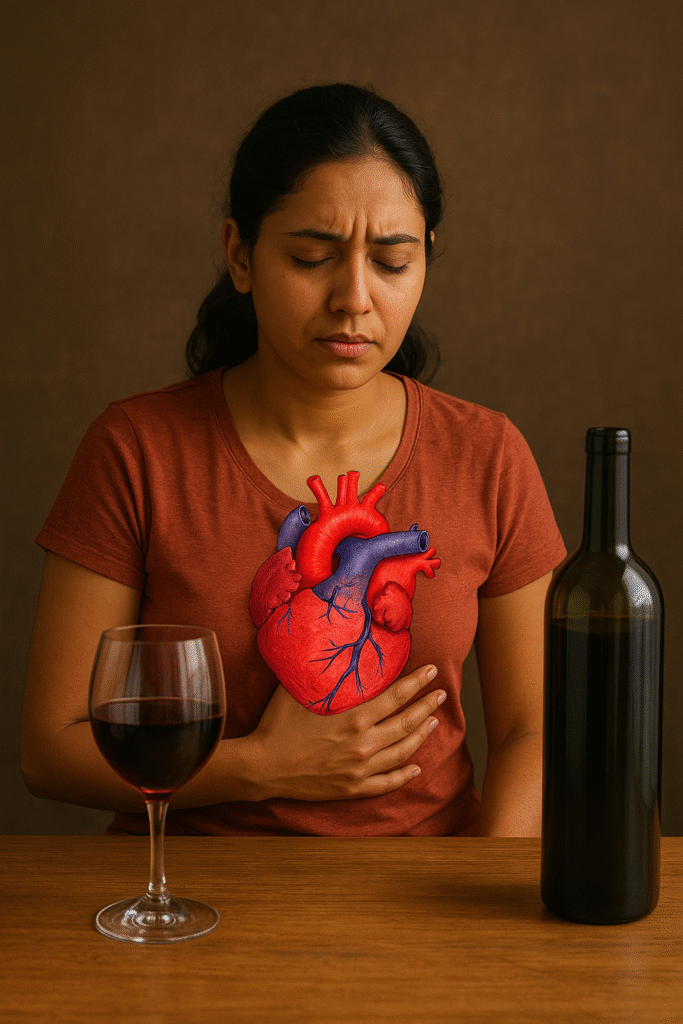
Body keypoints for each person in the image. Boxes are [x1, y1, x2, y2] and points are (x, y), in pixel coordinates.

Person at [21, 83, 566, 837]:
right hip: (186, 903)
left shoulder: (487, 454)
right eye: (312, 256)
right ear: (239, 255)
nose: (353, 297)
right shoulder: (135, 450)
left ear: (426, 260)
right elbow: (50, 751)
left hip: (430, 907)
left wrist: (484, 897)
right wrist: (263, 764)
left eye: (391, 262)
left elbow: (533, 732)